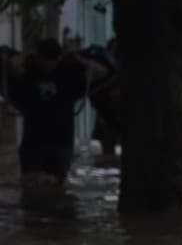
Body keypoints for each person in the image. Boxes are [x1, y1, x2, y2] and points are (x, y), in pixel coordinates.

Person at [3, 38, 111, 188]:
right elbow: (11, 66)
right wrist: (26, 56)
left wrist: (80, 59)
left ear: (59, 58)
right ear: (38, 58)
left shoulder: (69, 75)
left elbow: (103, 72)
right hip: (34, 143)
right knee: (30, 186)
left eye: (53, 61)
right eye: (45, 60)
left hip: (61, 144)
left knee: (57, 186)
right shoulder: (27, 74)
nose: (49, 65)